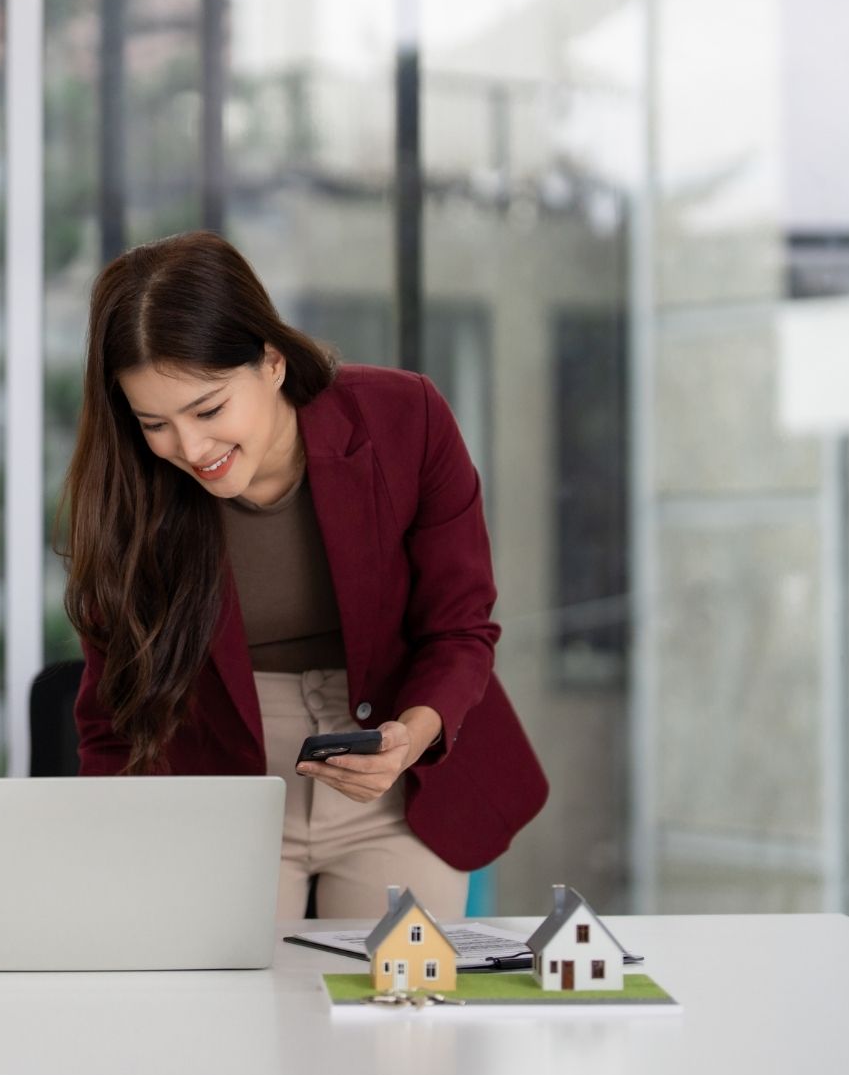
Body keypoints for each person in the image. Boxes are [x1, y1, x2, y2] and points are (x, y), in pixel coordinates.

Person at [59, 230, 547, 922]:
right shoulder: (128, 493)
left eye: (208, 409)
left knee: (397, 1007)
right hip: (216, 777)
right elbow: (112, 713)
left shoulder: (406, 419)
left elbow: (460, 626)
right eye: (155, 423)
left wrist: (411, 734)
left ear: (271, 361)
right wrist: (104, 858)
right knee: (233, 1021)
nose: (191, 449)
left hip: (394, 770)